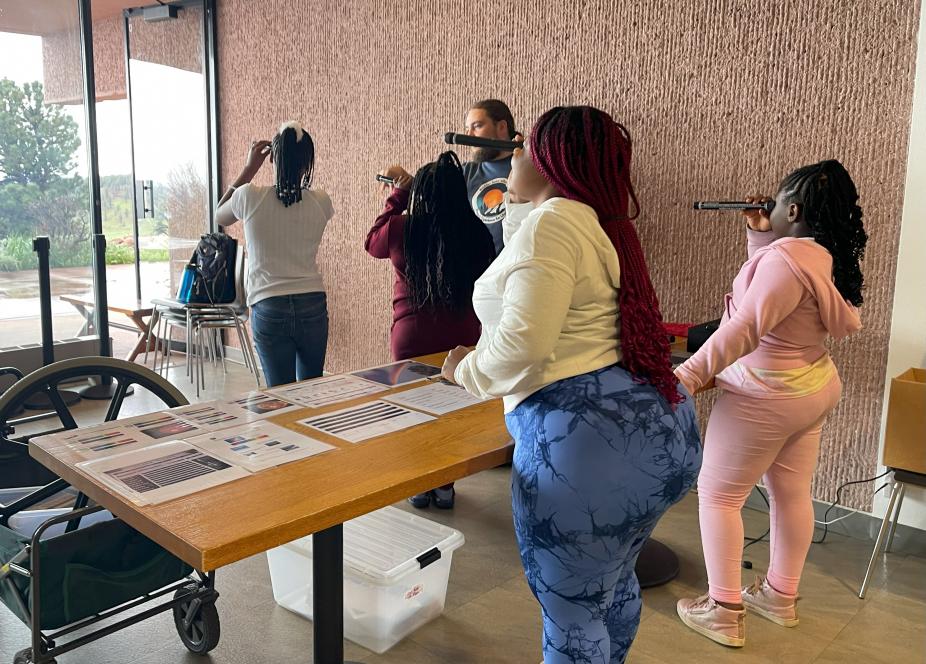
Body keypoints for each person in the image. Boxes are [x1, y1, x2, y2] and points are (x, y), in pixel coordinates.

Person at [441, 106, 702, 663]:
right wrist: (515, 199)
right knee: (610, 584)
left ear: (553, 160)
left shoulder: (554, 223)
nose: (516, 153)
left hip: (591, 449)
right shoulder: (590, 222)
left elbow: (523, 344)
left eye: (526, 144)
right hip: (654, 428)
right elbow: (523, 268)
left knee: (573, 612)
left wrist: (466, 370)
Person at [674, 160, 866, 648]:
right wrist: (761, 236)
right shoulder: (818, 255)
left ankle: (722, 609)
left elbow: (745, 326)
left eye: (778, 203)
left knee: (719, 496)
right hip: (810, 388)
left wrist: (688, 375)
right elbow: (774, 303)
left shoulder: (785, 263)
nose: (768, 207)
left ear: (795, 208)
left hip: (765, 394)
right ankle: (780, 596)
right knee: (791, 492)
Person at [367, 151, 495, 509]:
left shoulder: (402, 228)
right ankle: (445, 486)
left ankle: (419, 484)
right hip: (461, 335)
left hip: (412, 334)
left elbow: (372, 241)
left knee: (413, 412)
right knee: (452, 412)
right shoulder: (477, 233)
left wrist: (398, 195)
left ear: (420, 193)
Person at [215, 121, 332, 387]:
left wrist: (249, 169)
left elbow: (219, 214)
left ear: (273, 159)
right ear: (307, 162)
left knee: (280, 397)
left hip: (269, 305)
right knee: (312, 391)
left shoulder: (248, 196)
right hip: (312, 303)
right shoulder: (321, 201)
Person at [461, 98, 532, 253]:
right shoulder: (465, 173)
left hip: (521, 263)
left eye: (477, 126)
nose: (469, 136)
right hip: (481, 274)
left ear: (501, 127)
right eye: (467, 129)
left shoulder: (528, 164)